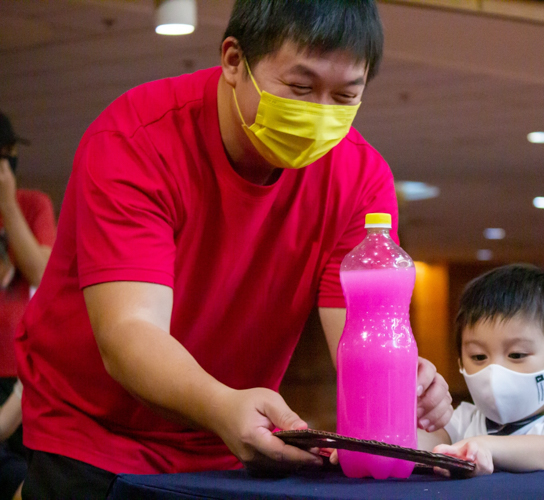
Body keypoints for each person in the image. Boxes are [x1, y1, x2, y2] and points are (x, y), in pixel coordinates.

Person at [16, 1, 452, 498]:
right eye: (301, 88)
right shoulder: (136, 139)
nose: (320, 115)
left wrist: (403, 380)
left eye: (346, 95)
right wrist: (222, 404)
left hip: (232, 446)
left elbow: (360, 333)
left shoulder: (360, 177)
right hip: (95, 436)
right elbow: (129, 332)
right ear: (232, 60)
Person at [418, 264, 544, 475]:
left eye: (517, 355)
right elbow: (417, 445)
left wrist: (482, 447)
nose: (494, 370)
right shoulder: (463, 420)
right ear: (461, 363)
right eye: (478, 356)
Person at [0, 113, 56, 500]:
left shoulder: (30, 204)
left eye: (11, 157)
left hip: (19, 380)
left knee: (28, 476)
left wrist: (7, 201)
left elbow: (41, 271)